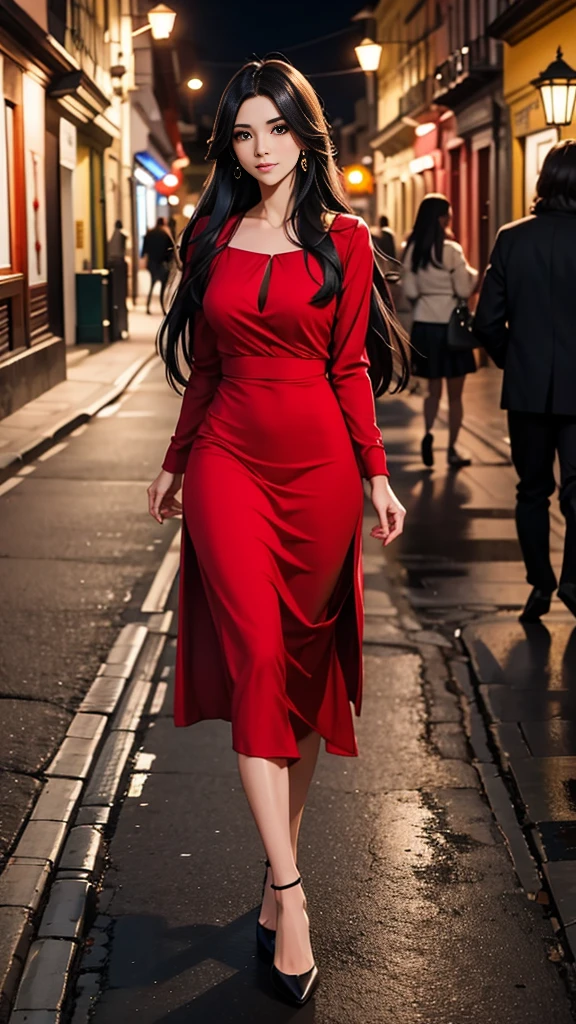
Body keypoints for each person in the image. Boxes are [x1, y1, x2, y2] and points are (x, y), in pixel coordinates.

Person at [146, 57, 409, 1007]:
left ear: (305, 133)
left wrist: (376, 474)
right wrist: (177, 462)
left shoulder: (346, 240)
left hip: (322, 475)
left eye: (275, 130)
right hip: (227, 462)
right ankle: (292, 893)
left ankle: (270, 878)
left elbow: (349, 370)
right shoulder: (208, 239)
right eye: (243, 134)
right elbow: (205, 370)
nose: (259, 149)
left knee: (296, 678)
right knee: (257, 655)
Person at [475, 139, 576, 624]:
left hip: (528, 388)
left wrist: (514, 360)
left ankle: (539, 585)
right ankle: (575, 581)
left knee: (531, 491)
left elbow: (487, 322)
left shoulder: (512, 238)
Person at [403, 193, 478, 468]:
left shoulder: (412, 250)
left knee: (431, 392)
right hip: (451, 328)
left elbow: (409, 290)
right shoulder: (452, 251)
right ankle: (452, 450)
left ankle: (428, 434)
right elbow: (462, 289)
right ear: (443, 218)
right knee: (455, 396)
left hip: (424, 325)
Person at [141, 217, 174, 315]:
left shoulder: (150, 233)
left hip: (152, 263)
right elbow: (170, 250)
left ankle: (148, 306)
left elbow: (144, 251)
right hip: (162, 263)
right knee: (163, 287)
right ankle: (163, 308)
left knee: (152, 285)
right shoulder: (165, 234)